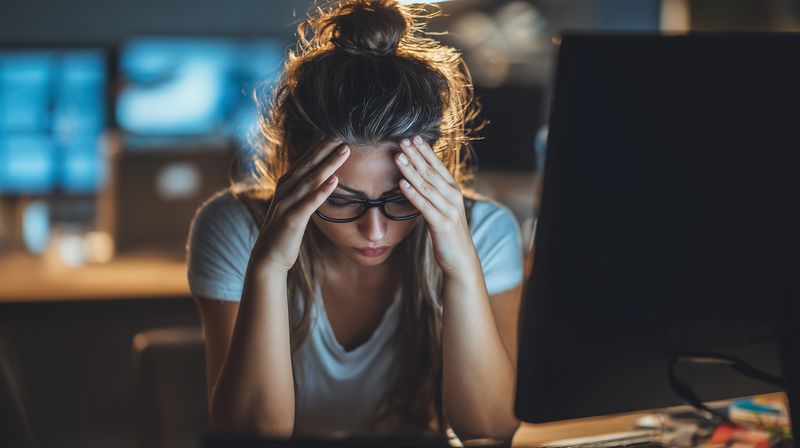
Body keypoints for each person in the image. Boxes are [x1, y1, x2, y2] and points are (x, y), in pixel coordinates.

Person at [186, 0, 524, 442]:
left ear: (432, 174)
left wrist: (460, 264)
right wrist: (269, 266)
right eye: (343, 201)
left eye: (401, 198)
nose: (375, 232)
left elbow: (491, 429)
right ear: (295, 164)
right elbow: (253, 437)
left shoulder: (484, 233)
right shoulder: (236, 229)